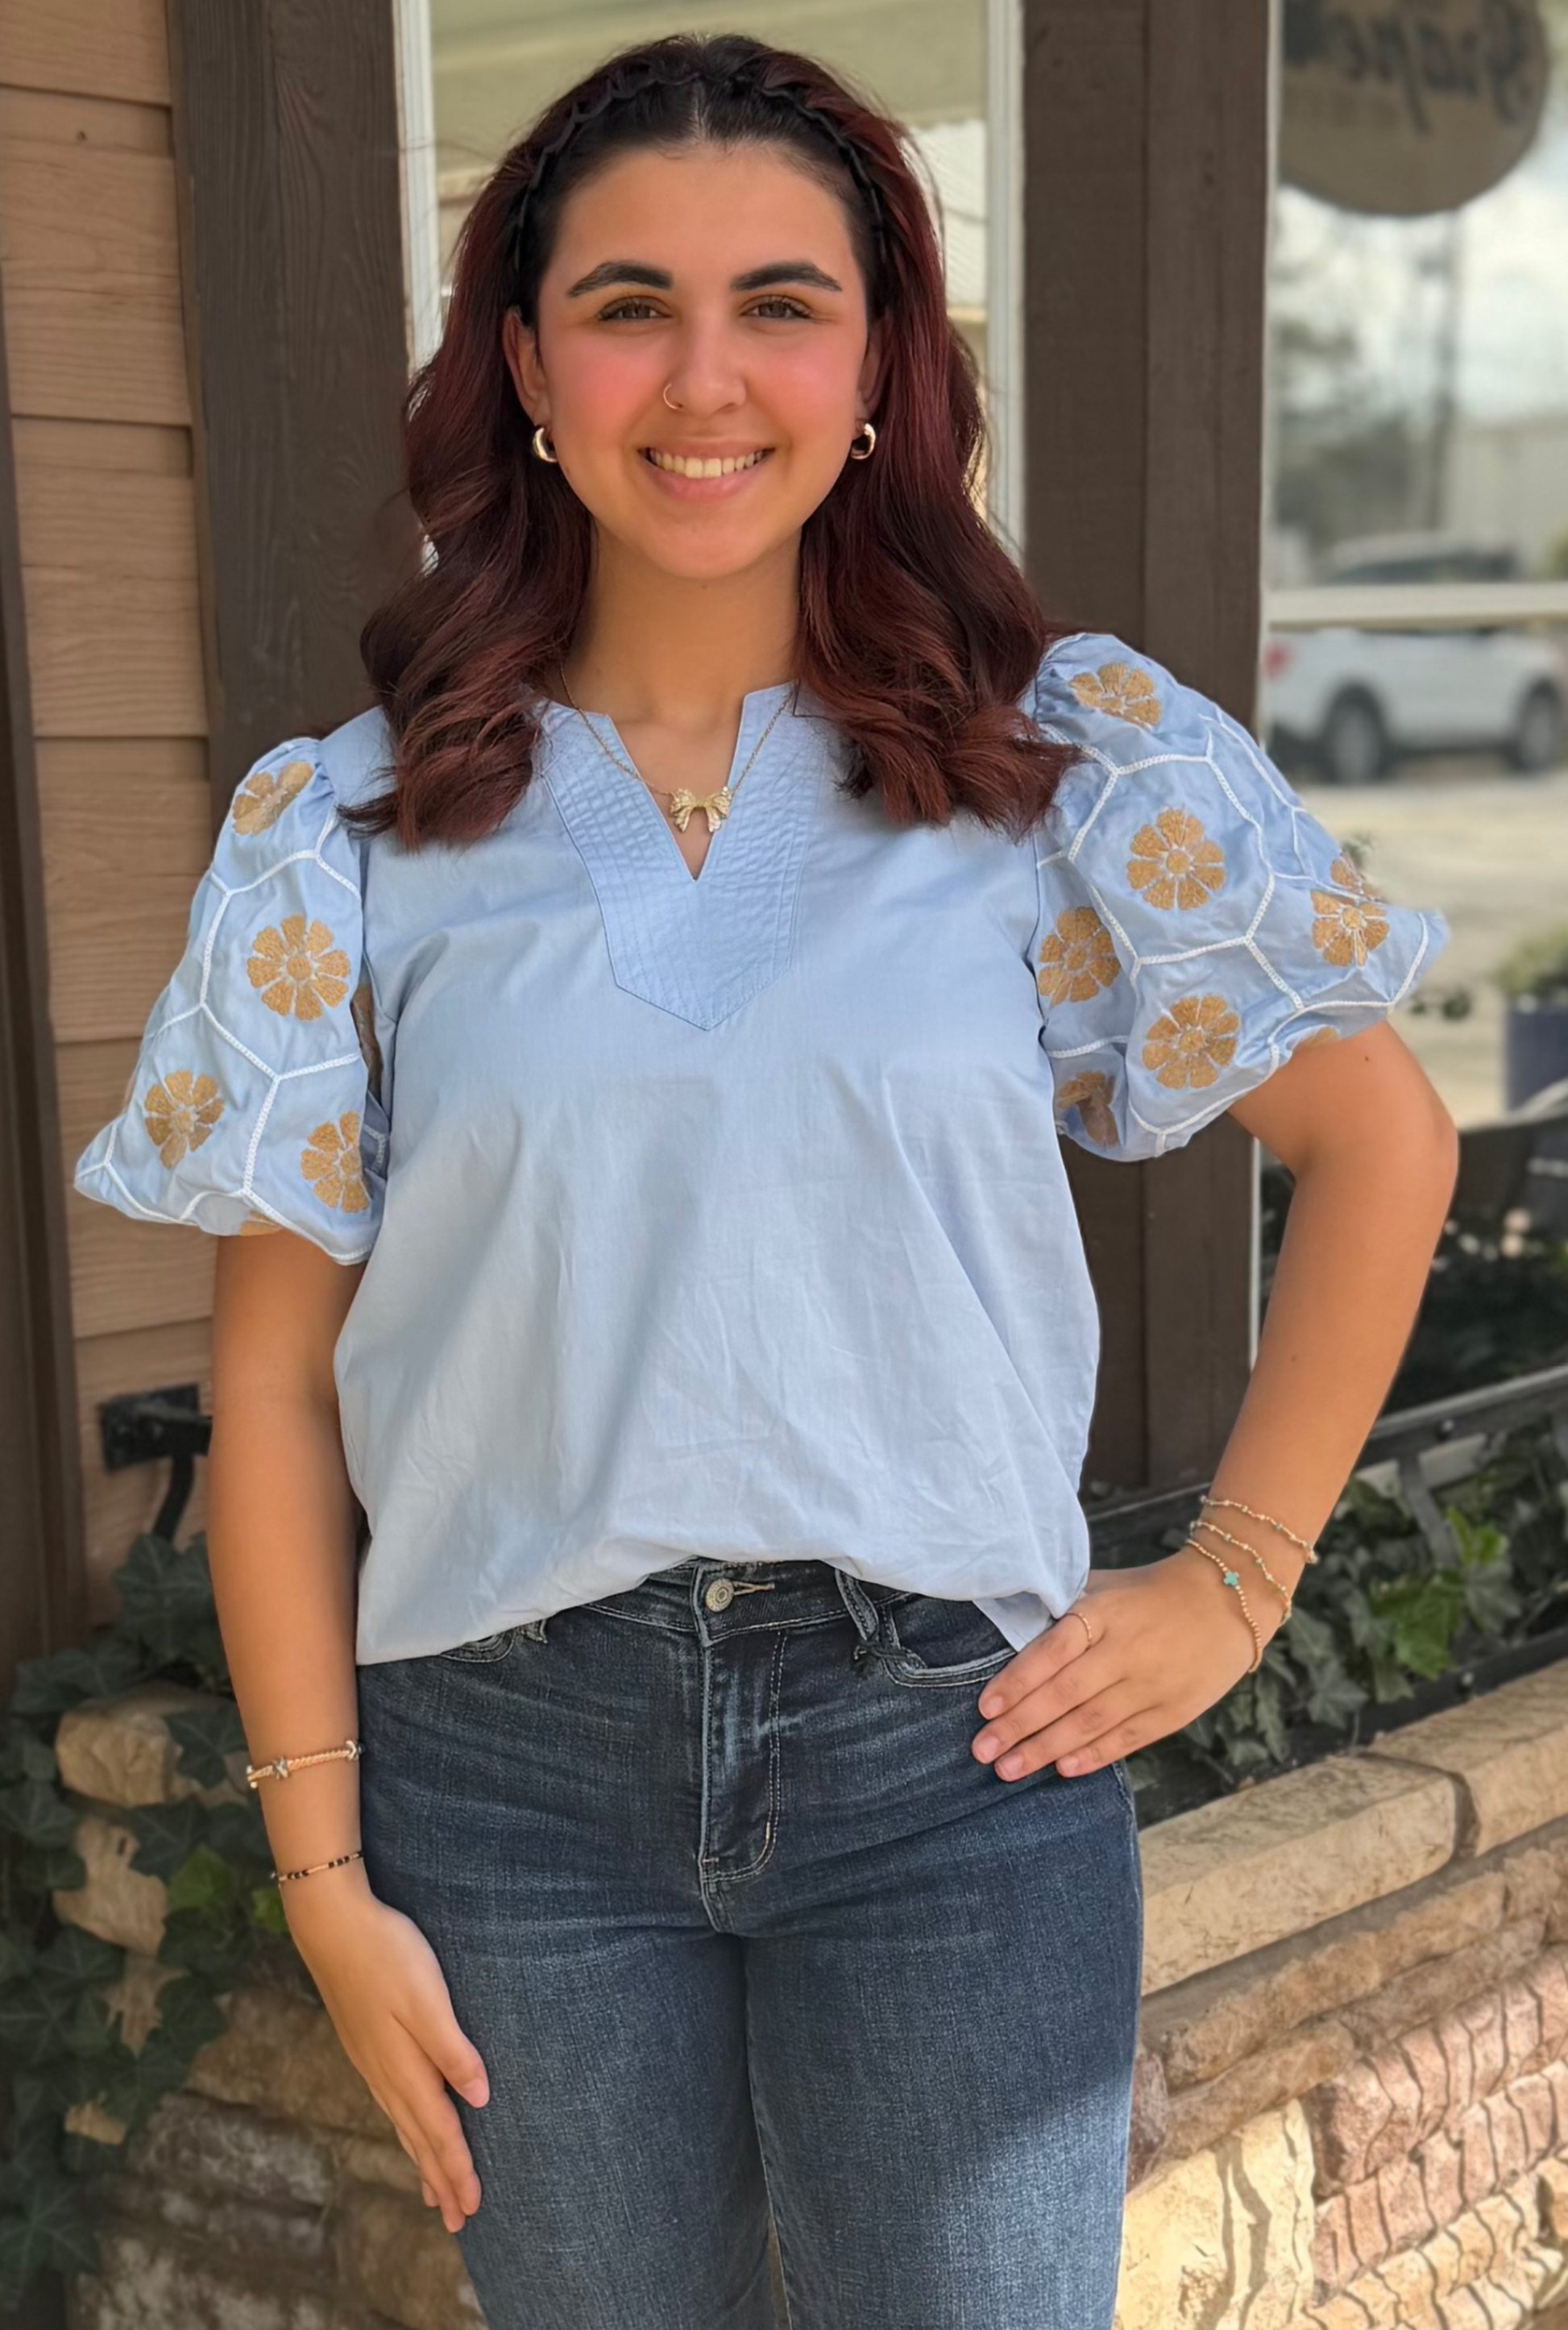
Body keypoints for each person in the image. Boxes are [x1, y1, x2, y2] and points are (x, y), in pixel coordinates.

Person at [73, 31, 1458, 2330]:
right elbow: (283, 1398)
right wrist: (319, 1863)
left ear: (883, 361)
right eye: (627, 303)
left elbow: (1379, 1138)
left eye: (782, 303)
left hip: (952, 1757)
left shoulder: (1058, 760)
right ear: (524, 364)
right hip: (503, 1782)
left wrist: (1237, 1578)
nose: (703, 378)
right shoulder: (352, 831)